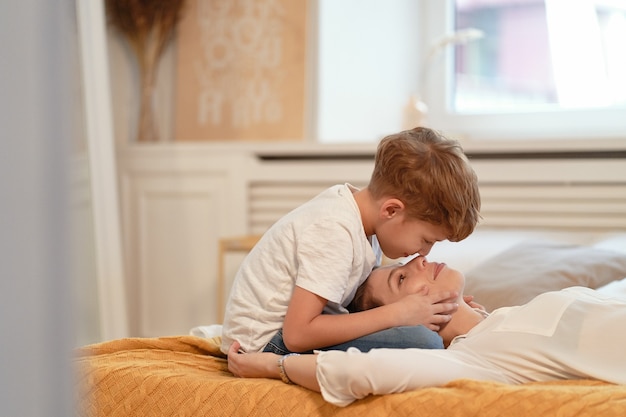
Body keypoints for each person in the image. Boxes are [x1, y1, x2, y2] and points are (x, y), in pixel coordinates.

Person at [227, 255, 626, 406]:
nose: (421, 259)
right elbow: (359, 371)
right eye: (402, 280)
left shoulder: (508, 317)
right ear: (397, 321)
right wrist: (271, 366)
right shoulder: (473, 358)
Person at [220, 127, 481, 356]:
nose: (424, 253)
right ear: (391, 211)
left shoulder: (364, 224)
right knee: (423, 340)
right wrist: (400, 314)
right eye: (426, 240)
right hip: (264, 344)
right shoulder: (335, 230)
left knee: (416, 333)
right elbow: (297, 335)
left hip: (284, 335)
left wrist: (442, 309)